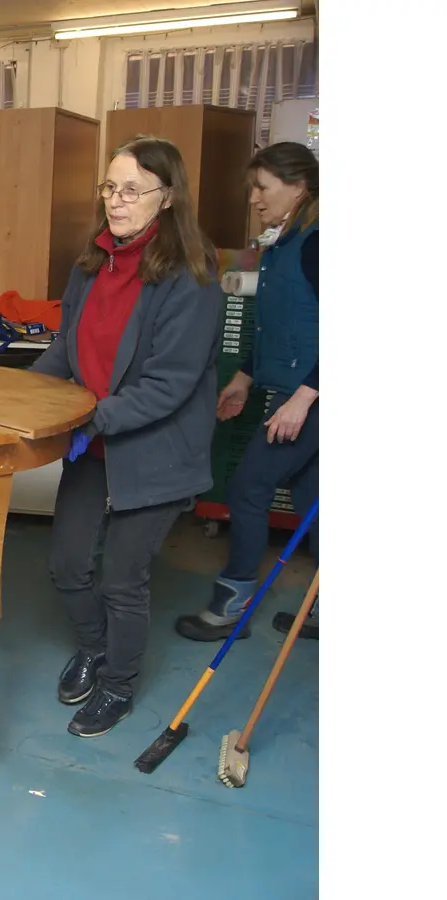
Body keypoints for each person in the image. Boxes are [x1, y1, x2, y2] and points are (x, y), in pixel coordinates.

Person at [30, 135, 223, 738]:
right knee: (66, 564)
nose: (117, 201)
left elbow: (169, 385)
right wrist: (22, 398)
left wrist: (88, 417)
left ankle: (117, 684)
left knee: (122, 578)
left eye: (133, 190)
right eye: (110, 188)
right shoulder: (93, 261)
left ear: (166, 198)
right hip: (97, 443)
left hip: (157, 449)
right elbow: (67, 346)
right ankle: (93, 648)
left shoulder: (191, 277)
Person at [175, 142, 319, 643]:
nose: (254, 198)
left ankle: (231, 603)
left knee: (247, 487)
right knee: (311, 498)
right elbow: (279, 327)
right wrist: (245, 377)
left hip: (313, 398)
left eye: (263, 187)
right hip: (289, 389)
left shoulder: (321, 241)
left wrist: (307, 396)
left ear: (298, 186)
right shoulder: (283, 243)